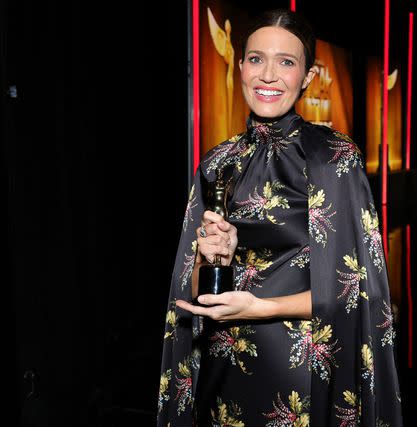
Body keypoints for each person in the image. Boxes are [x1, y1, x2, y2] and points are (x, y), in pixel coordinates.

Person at [157, 9, 402, 427]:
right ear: (240, 67)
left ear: (306, 78)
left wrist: (258, 308)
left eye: (286, 62)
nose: (268, 74)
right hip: (224, 370)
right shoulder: (218, 162)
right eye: (256, 59)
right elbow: (198, 288)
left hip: (299, 373)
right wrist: (212, 260)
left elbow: (355, 291)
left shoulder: (333, 158)